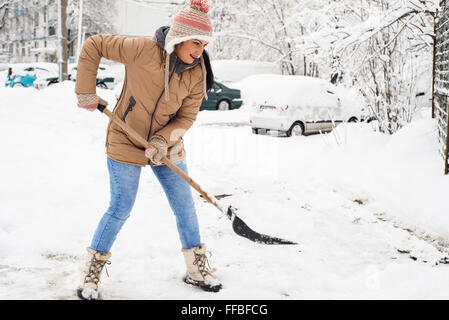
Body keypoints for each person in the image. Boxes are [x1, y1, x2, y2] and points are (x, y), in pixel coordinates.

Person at [74, 0, 221, 300]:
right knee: (121, 207)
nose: (199, 50)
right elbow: (94, 45)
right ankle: (92, 272)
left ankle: (196, 268)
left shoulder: (197, 73)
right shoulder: (142, 50)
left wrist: (162, 141)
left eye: (204, 44)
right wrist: (85, 90)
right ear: (179, 37)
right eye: (195, 42)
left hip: (167, 145)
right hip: (125, 137)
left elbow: (187, 117)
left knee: (184, 205)